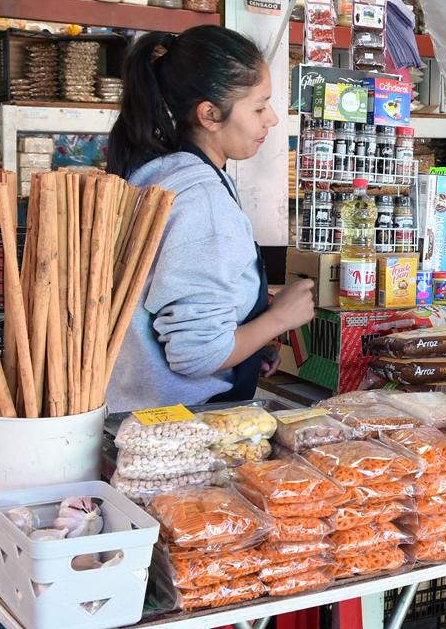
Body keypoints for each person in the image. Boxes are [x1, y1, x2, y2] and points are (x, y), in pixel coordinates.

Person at [105, 25, 316, 412]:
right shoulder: (201, 199)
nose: (270, 119)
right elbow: (196, 357)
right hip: (178, 423)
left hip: (133, 405)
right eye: (258, 106)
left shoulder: (160, 170)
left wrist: (248, 346)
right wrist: (279, 319)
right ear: (210, 115)